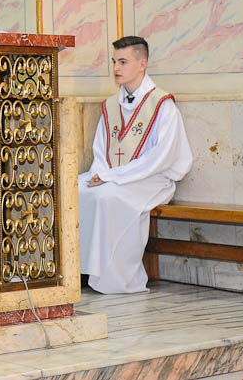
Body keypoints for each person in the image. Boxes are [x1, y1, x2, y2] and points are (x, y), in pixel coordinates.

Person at [78, 36, 193, 294]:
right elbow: (100, 149)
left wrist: (113, 177)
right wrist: (100, 174)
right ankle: (83, 272)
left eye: (123, 62)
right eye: (114, 62)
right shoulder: (110, 105)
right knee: (77, 189)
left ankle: (115, 278)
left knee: (108, 197)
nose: (116, 68)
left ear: (142, 64)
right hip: (115, 176)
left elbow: (161, 157)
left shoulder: (162, 105)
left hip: (153, 179)